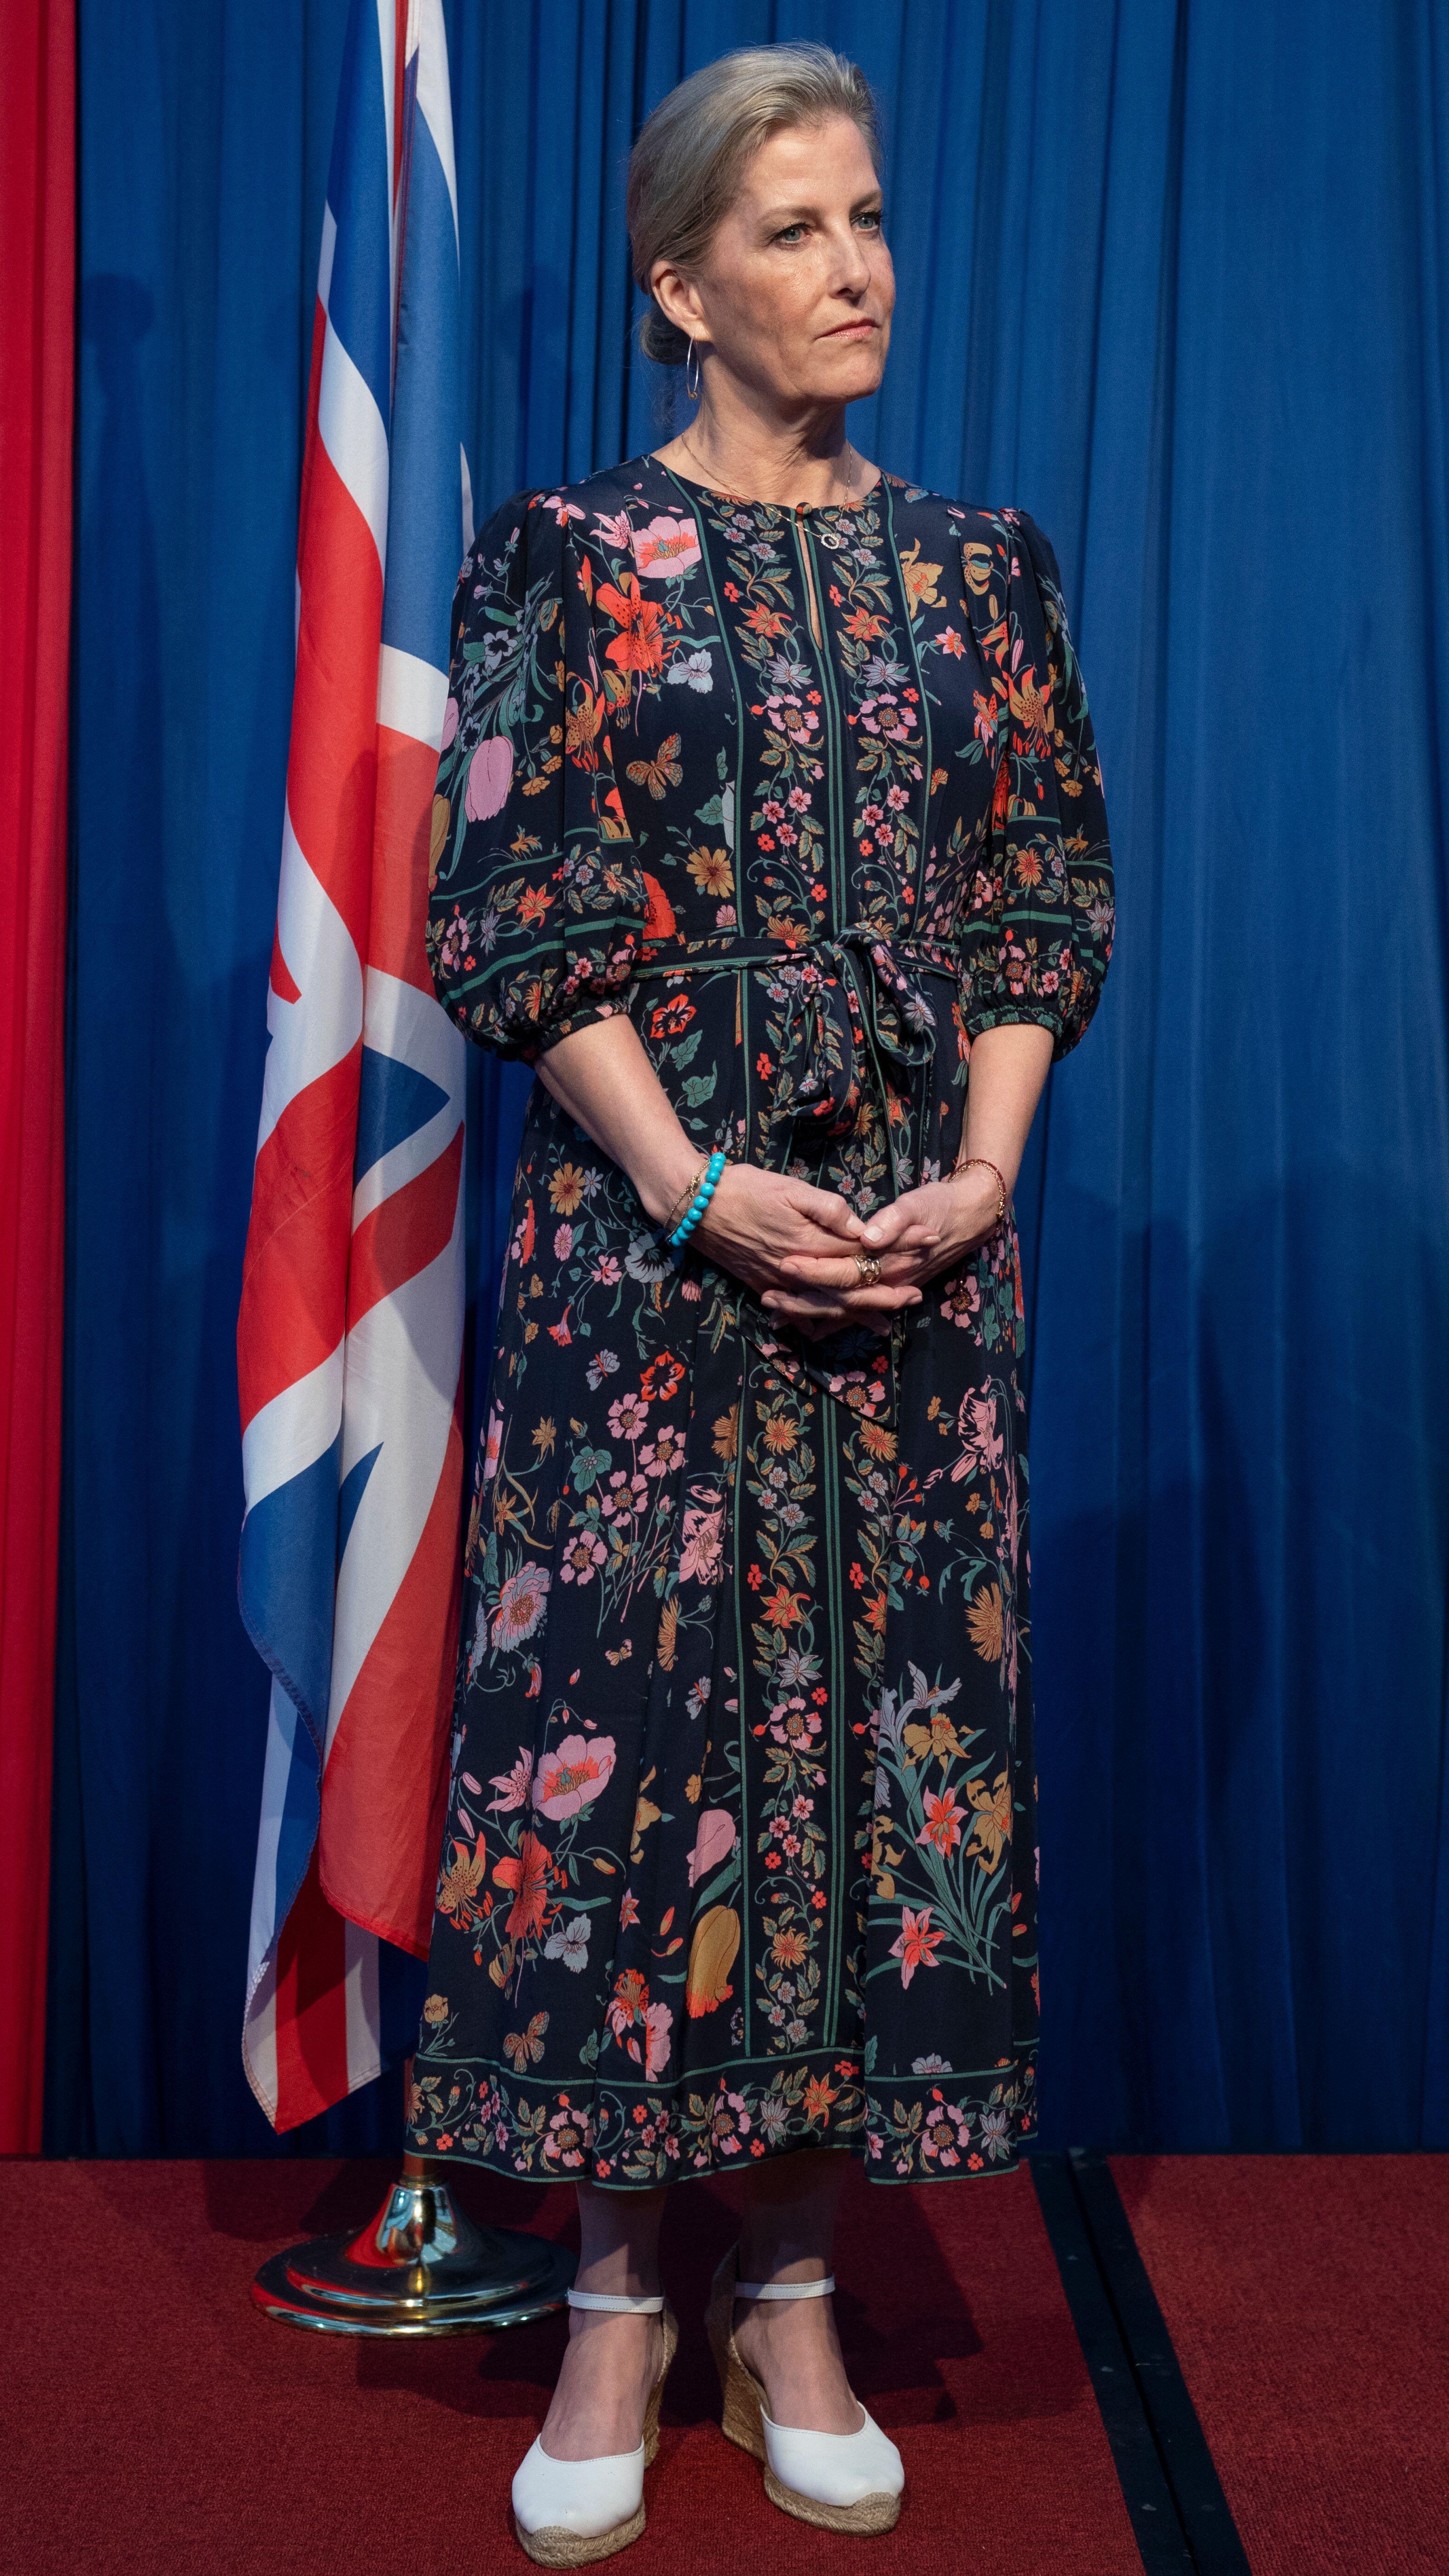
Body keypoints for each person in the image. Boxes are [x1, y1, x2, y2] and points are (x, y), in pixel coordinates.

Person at [409, 40, 1114, 2563]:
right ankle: (614, 2294)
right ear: (682, 282)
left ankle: (794, 2287)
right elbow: (511, 906)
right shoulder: (568, 563)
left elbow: (1042, 898)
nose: (859, 270)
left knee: (884, 1768)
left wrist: (982, 1179)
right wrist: (691, 1180)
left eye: (872, 219)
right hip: (651, 1275)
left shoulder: (980, 570)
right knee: (635, 1745)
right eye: (799, 231)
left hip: (917, 1283)